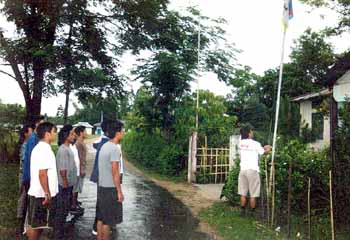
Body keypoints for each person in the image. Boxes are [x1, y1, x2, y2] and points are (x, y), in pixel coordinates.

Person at [26, 122, 58, 240]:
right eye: (54, 131)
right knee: (37, 226)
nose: (56, 134)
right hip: (41, 194)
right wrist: (47, 193)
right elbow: (42, 174)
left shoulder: (39, 148)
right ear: (47, 134)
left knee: (37, 225)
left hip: (38, 193)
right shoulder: (45, 150)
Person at [97, 120, 125, 240]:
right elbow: (115, 172)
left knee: (101, 218)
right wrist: (119, 191)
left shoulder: (104, 146)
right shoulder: (114, 148)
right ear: (117, 132)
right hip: (110, 189)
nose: (124, 133)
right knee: (108, 221)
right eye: (123, 130)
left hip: (102, 187)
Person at [238, 125, 271, 217]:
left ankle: (242, 212)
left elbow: (254, 149)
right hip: (252, 170)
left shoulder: (240, 143)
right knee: (253, 193)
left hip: (243, 170)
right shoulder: (256, 143)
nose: (252, 133)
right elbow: (262, 152)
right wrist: (268, 149)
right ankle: (252, 213)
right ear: (248, 133)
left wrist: (262, 148)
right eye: (251, 131)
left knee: (243, 192)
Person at [55, 124, 77, 239]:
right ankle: (58, 234)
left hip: (68, 184)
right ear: (66, 135)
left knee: (64, 209)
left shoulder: (68, 147)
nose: (74, 136)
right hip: (64, 185)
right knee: (61, 210)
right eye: (72, 134)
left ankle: (61, 231)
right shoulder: (63, 149)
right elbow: (62, 170)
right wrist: (65, 183)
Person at [90, 120, 111, 235]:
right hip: (104, 179)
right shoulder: (105, 143)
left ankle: (100, 226)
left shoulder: (103, 141)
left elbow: (94, 144)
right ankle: (97, 227)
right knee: (102, 203)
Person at [16, 124, 33, 237]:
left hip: (27, 175)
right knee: (23, 199)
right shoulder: (25, 146)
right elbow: (25, 161)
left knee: (26, 199)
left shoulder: (29, 145)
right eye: (31, 131)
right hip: (24, 176)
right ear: (26, 133)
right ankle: (20, 224)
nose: (33, 134)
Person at [71, 126, 87, 214]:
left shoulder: (81, 142)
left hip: (81, 168)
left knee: (78, 187)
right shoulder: (79, 144)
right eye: (85, 131)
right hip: (79, 169)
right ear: (81, 133)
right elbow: (79, 158)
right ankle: (73, 205)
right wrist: (81, 169)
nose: (86, 133)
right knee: (75, 188)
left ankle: (75, 202)